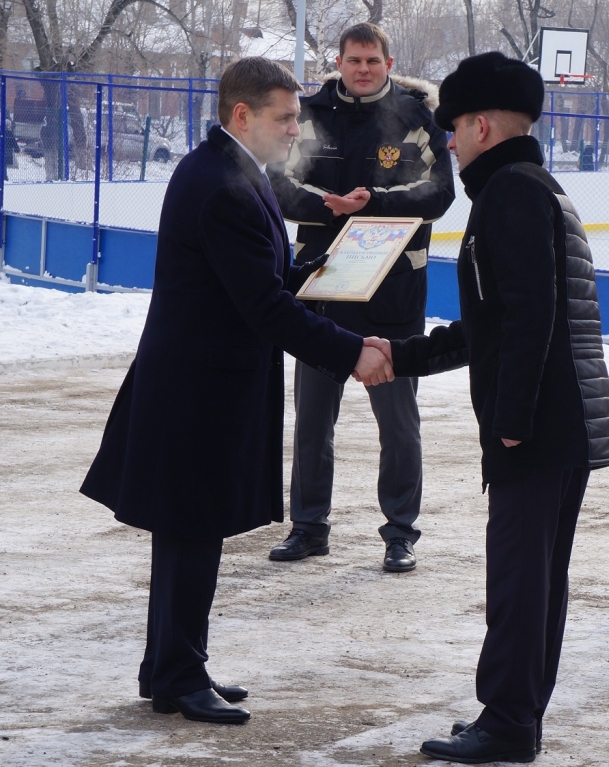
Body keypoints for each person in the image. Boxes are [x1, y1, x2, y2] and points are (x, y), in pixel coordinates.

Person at [79, 57, 393, 725]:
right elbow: (266, 310)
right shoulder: (225, 186)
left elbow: (257, 278)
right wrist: (354, 353)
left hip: (195, 384)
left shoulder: (222, 171)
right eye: (283, 118)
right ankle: (179, 674)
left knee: (186, 532)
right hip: (201, 392)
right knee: (193, 529)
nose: (293, 129)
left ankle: (170, 663)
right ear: (242, 115)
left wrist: (317, 263)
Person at [367, 52, 609, 763]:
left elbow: (530, 316)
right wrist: (403, 354)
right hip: (561, 421)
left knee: (517, 578)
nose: (449, 141)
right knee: (537, 578)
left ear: (482, 125)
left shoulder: (510, 192)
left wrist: (511, 422)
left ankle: (508, 720)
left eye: (454, 129)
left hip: (537, 426)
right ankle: (518, 715)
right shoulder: (532, 187)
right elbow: (493, 323)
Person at [268, 22, 455, 572]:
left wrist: (370, 202)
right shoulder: (309, 115)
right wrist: (329, 204)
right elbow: (277, 185)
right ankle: (308, 527)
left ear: (389, 63)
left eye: (373, 60)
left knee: (398, 423)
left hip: (393, 292)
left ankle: (400, 532)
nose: (363, 69)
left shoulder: (420, 118)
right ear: (340, 62)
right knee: (312, 421)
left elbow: (439, 193)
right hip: (323, 288)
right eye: (354, 61)